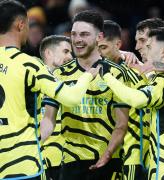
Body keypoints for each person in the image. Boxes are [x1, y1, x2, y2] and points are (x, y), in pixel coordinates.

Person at [0, 1, 99, 179]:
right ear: (20, 25)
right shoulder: (28, 64)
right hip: (21, 163)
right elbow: (71, 97)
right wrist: (88, 76)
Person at [52, 10, 130, 180]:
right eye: (74, 34)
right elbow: (49, 119)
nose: (77, 39)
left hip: (108, 160)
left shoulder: (116, 73)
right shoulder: (60, 74)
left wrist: (107, 155)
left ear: (99, 37)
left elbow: (122, 124)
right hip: (72, 161)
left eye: (84, 34)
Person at [100, 27, 164, 179]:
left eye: (148, 46)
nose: (141, 49)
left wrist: (107, 77)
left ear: (163, 52)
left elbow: (137, 99)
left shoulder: (163, 82)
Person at [98, 20, 150, 180]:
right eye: (97, 48)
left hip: (132, 153)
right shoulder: (92, 71)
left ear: (118, 44)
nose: (100, 53)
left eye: (104, 47)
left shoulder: (135, 70)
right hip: (108, 152)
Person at [39, 35, 72, 180]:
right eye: (65, 52)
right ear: (49, 53)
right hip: (41, 160)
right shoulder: (31, 77)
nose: (70, 57)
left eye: (71, 52)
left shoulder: (72, 80)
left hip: (67, 159)